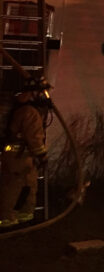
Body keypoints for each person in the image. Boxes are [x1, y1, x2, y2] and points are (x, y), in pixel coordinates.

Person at [0, 79, 48, 228]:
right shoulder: (29, 112)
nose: (43, 95)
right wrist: (42, 155)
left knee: (26, 187)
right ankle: (7, 221)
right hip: (20, 158)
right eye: (41, 92)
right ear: (31, 93)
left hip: (19, 157)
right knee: (14, 189)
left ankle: (23, 218)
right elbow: (34, 138)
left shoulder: (18, 109)